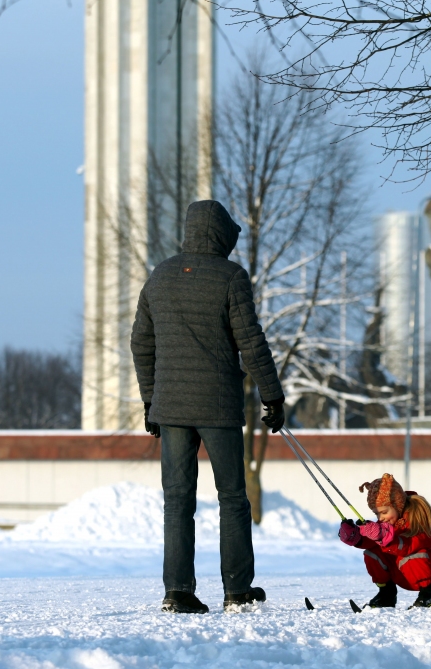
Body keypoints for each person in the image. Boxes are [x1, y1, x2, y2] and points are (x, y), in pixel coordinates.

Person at [131, 199, 286, 614]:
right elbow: (250, 342)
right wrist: (271, 395)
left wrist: (151, 398)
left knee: (177, 500)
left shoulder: (160, 276)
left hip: (172, 407)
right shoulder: (231, 276)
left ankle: (177, 591)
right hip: (218, 406)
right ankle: (237, 590)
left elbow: (141, 343)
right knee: (232, 497)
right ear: (219, 234)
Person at [338, 473, 431, 608]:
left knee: (413, 554)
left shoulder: (419, 521)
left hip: (429, 574)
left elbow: (409, 546)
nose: (380, 517)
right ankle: (386, 594)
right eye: (376, 513)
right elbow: (373, 542)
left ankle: (429, 595)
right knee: (371, 552)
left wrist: (383, 536)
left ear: (398, 506)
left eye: (383, 512)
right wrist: (356, 537)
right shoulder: (388, 522)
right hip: (400, 573)